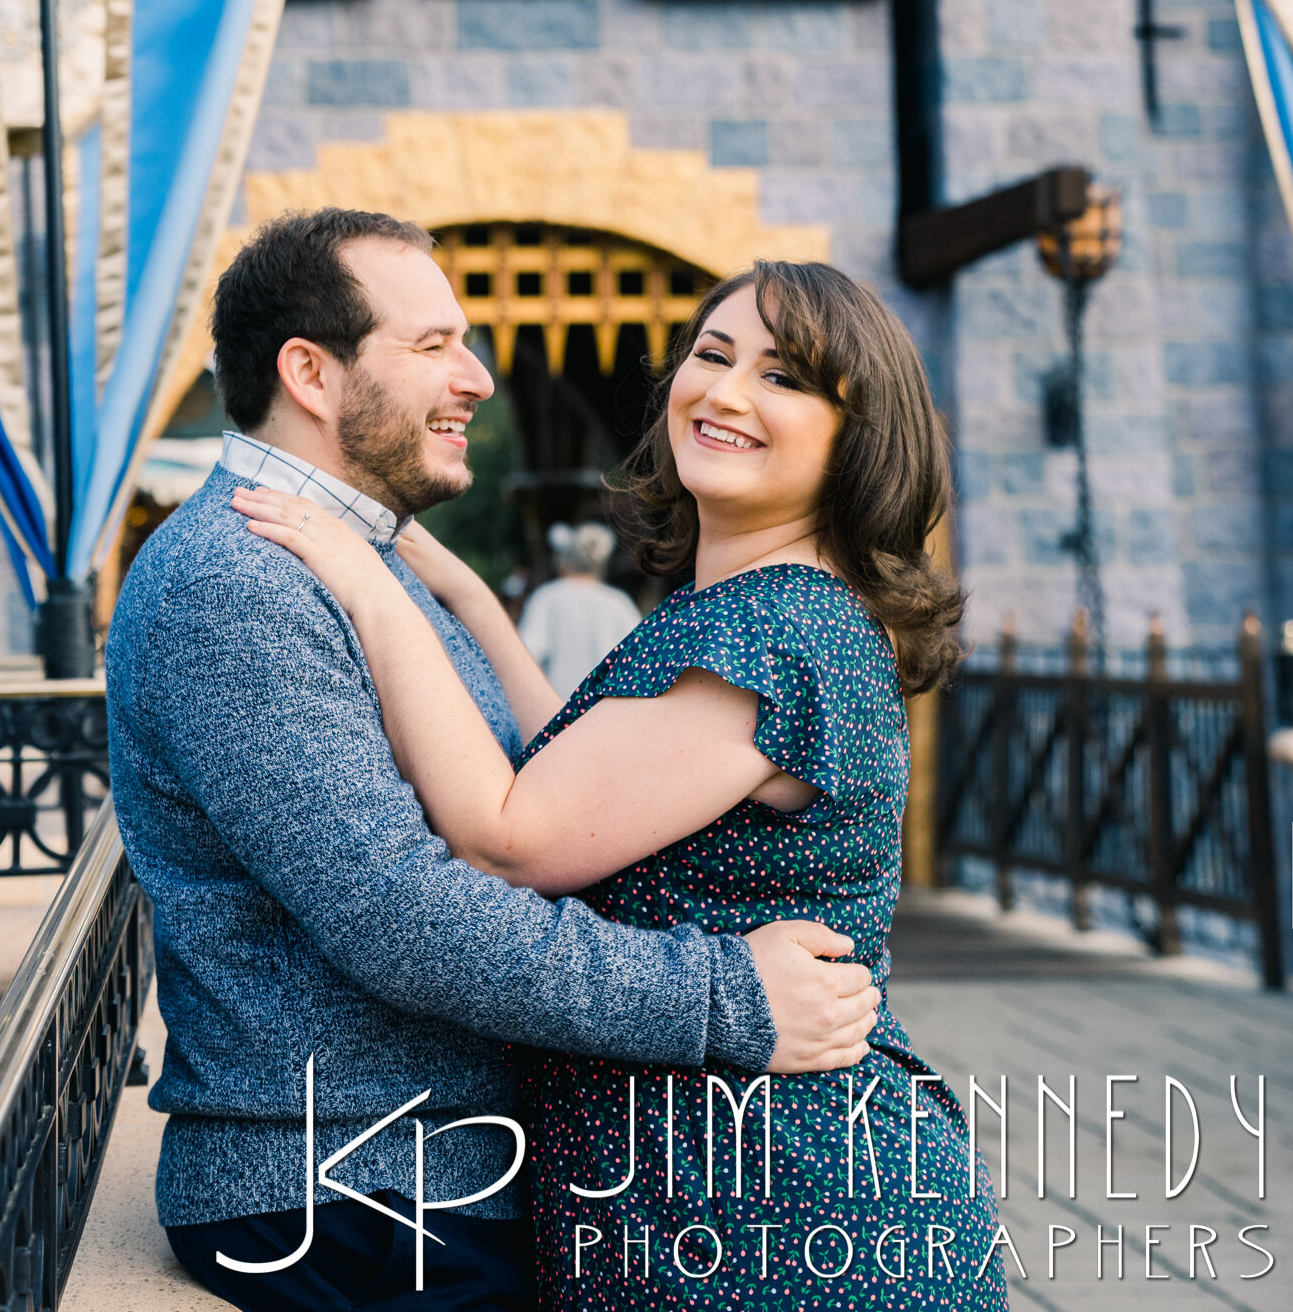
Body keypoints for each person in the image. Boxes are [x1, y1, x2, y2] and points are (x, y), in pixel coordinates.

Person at [105, 212, 886, 1312]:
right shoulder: (242, 581)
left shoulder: (358, 562)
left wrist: (455, 589)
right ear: (310, 374)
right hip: (356, 1197)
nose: (474, 374)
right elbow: (410, 916)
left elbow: (541, 779)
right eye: (432, 345)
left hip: (433, 1172)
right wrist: (727, 998)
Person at [239, 256, 1011, 1308]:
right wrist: (462, 587)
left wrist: (367, 589)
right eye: (711, 353)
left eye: (784, 378)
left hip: (776, 1212)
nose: (725, 391)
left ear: (856, 437)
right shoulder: (756, 609)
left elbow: (508, 835)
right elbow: (567, 755)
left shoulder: (773, 629)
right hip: (725, 1192)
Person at [518, 523, 639, 700]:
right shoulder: (619, 603)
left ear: (563, 562)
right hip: (605, 710)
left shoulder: (547, 597)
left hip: (556, 708)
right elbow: (637, 657)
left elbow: (528, 656)